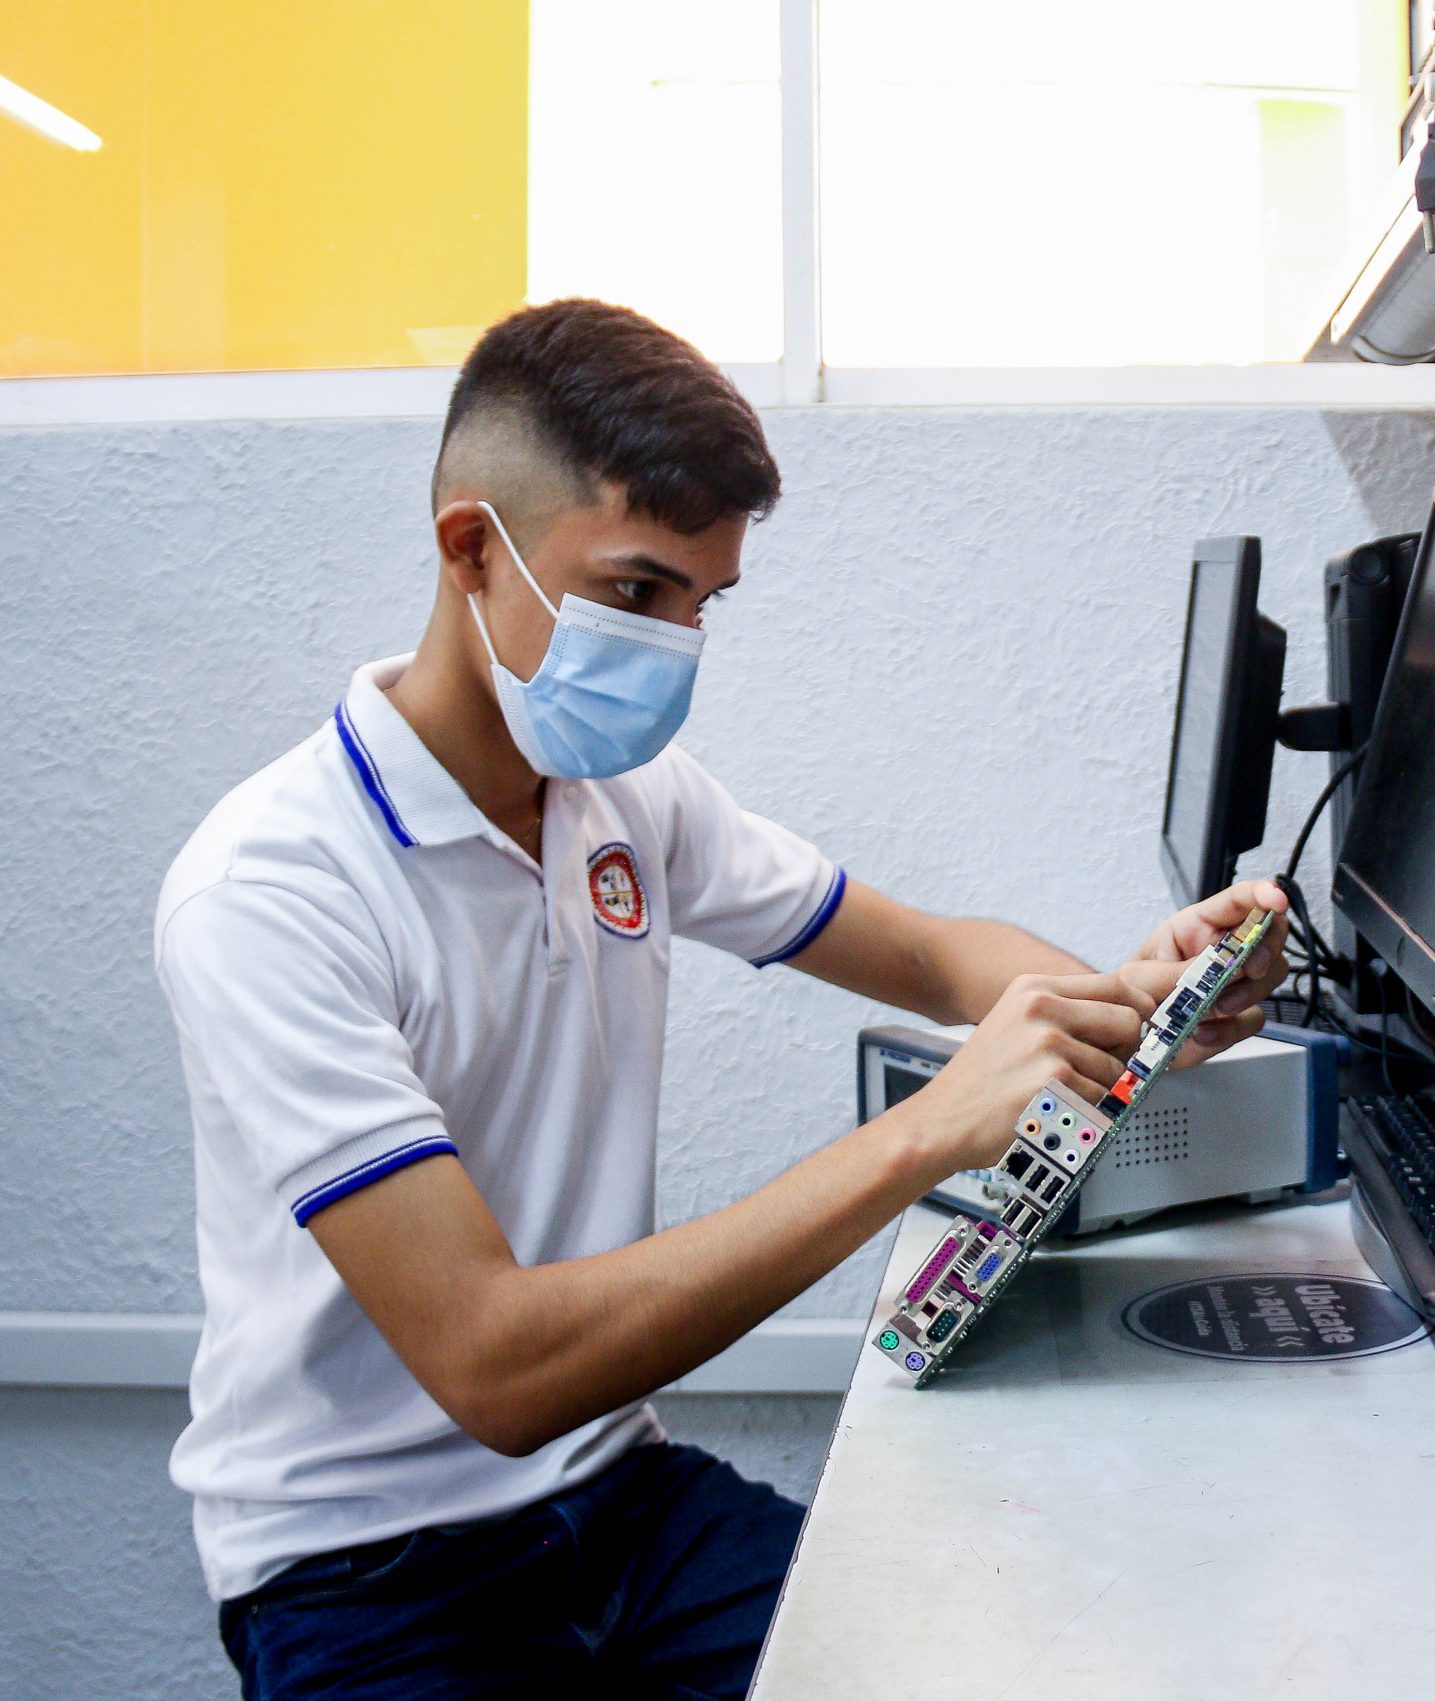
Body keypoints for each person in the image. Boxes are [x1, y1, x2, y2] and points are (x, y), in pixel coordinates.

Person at [153, 298, 1288, 1698]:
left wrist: (1133, 996)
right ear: (469, 549)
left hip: (619, 1504)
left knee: (977, 1663)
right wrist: (928, 1130)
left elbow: (930, 955)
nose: (674, 644)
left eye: (703, 603)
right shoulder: (273, 888)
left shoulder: (623, 798)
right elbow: (493, 1366)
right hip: (368, 1573)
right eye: (636, 592)